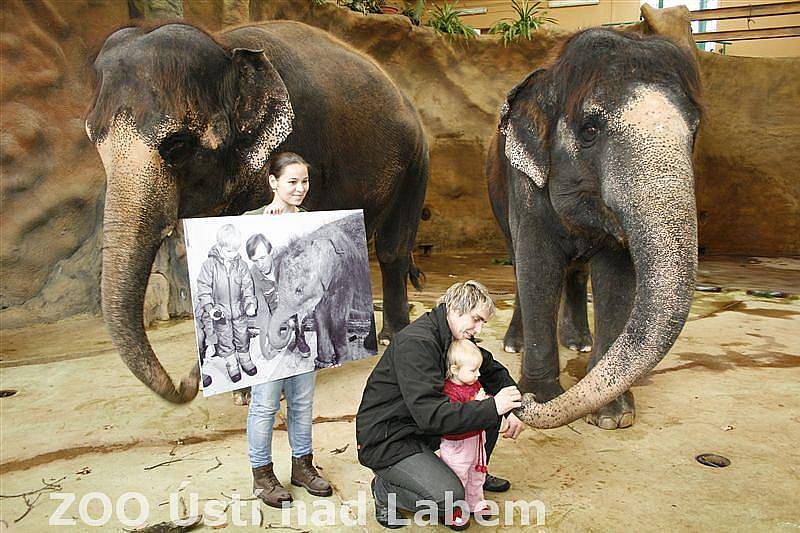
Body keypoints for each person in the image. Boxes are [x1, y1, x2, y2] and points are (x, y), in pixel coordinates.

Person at [356, 280, 526, 529]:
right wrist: (493, 407)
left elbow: (491, 371)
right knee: (450, 499)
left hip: (419, 427)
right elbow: (431, 415)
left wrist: (511, 407)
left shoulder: (453, 336)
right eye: (476, 319)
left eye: (483, 323)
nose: (479, 330)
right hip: (389, 438)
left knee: (488, 410)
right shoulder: (417, 343)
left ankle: (473, 473)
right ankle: (386, 488)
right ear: (456, 309)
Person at [245, 152, 332, 508]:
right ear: (273, 182)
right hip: (265, 330)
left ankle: (302, 465)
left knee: (302, 400)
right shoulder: (251, 221)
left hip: (302, 327)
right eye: (292, 182)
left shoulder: (312, 223)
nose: (299, 189)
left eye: (305, 182)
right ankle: (262, 474)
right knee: (265, 403)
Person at [440, 339, 510, 526]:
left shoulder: (474, 383)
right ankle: (453, 510)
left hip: (476, 440)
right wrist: (479, 406)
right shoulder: (449, 391)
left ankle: (475, 502)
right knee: (458, 476)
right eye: (473, 370)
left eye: (479, 369)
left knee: (477, 472)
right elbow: (455, 417)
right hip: (458, 445)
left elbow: (484, 401)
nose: (478, 374)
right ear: (455, 370)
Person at [195, 224, 258, 384]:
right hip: (220, 313)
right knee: (225, 339)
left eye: (236, 250)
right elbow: (204, 289)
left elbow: (247, 287)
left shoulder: (242, 266)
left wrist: (250, 304)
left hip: (239, 311)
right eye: (229, 251)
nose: (233, 254)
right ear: (219, 246)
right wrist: (210, 308)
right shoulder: (209, 266)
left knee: (243, 336)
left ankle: (245, 359)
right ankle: (232, 364)